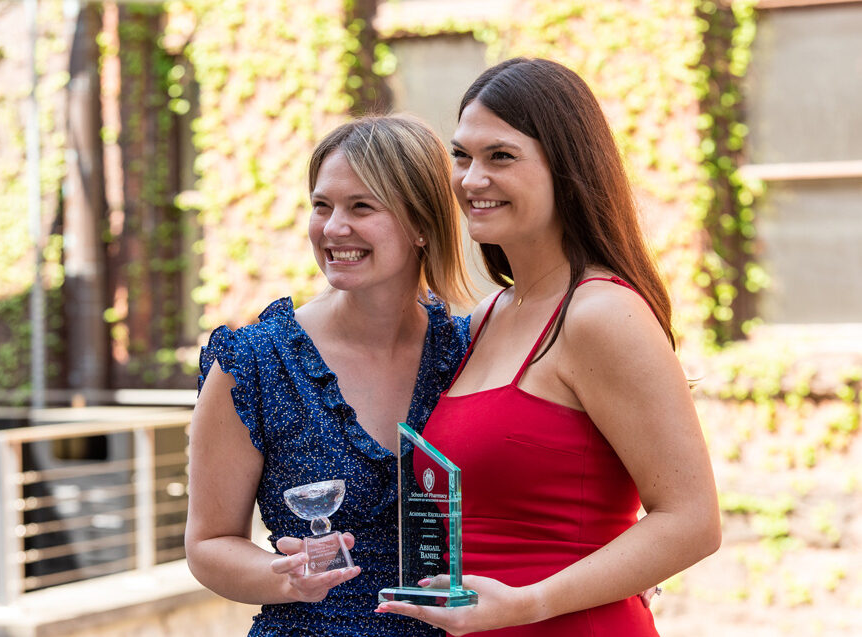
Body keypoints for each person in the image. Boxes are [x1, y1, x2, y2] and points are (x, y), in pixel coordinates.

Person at [377, 57, 722, 635]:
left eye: (501, 157)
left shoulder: (601, 313)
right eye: (461, 156)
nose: (470, 179)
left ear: (566, 168)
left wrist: (527, 603)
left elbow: (692, 522)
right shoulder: (485, 318)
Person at [184, 115, 472, 636]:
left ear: (422, 224)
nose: (333, 228)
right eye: (322, 206)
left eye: (362, 206)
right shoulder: (253, 362)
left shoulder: (473, 349)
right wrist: (285, 578)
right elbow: (208, 544)